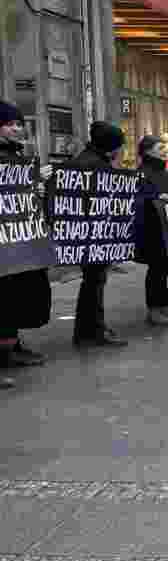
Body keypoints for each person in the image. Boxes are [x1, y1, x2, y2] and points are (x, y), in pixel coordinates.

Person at [0, 101, 51, 384]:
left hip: (19, 238)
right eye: (11, 124)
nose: (17, 129)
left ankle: (10, 347)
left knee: (17, 295)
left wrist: (35, 186)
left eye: (20, 124)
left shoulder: (18, 154)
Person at [70, 121, 130, 348]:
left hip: (87, 232)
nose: (121, 150)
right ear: (110, 146)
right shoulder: (95, 165)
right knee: (94, 282)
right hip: (93, 233)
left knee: (93, 281)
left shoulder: (87, 160)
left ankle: (89, 328)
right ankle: (92, 330)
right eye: (119, 145)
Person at [134, 135, 168, 325]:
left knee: (163, 268)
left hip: (166, 226)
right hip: (152, 228)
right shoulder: (142, 172)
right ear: (148, 151)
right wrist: (155, 199)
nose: (164, 151)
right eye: (159, 148)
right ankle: (154, 309)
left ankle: (164, 306)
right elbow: (138, 201)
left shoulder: (162, 171)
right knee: (156, 269)